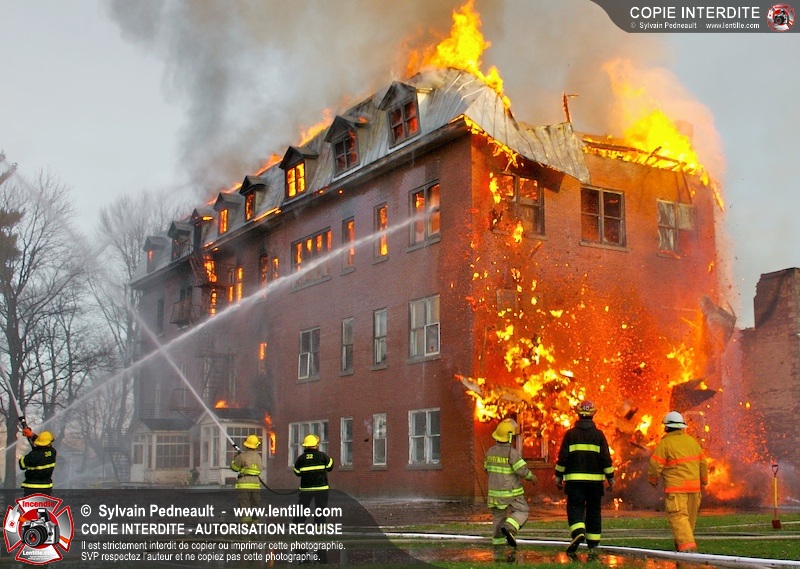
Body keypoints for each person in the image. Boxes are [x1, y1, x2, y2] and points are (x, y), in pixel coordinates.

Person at [554, 401, 614, 558]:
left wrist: (558, 476)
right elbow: (605, 458)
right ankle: (593, 543)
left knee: (575, 507)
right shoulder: (599, 435)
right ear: (593, 414)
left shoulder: (570, 435)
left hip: (574, 482)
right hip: (595, 483)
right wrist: (610, 477)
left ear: (578, 414)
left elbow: (563, 457)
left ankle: (578, 532)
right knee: (594, 510)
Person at [648, 411, 708, 553]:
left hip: (677, 490)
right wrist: (704, 481)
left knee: (679, 518)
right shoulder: (692, 442)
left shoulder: (665, 444)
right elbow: (703, 463)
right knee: (688, 521)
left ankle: (688, 550)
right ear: (682, 426)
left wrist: (653, 479)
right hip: (694, 490)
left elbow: (655, 464)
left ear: (666, 427)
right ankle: (681, 545)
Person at [484, 418, 537, 552]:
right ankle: (509, 527)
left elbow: (486, 469)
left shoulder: (490, 452)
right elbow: (522, 470)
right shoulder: (512, 453)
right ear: (510, 437)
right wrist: (532, 477)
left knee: (498, 517)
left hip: (494, 493)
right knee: (522, 510)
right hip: (511, 492)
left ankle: (498, 545)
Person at [293, 434, 334, 523]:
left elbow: (297, 473)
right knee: (321, 507)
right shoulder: (322, 456)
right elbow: (329, 468)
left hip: (306, 489)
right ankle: (319, 524)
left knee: (302, 507)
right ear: (316, 445)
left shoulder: (301, 458)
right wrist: (331, 460)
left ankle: (297, 523)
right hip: (321, 488)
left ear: (306, 446)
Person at [230, 434, 263, 523]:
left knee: (244, 506)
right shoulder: (258, 457)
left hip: (244, 484)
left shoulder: (242, 456)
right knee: (255, 506)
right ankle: (255, 525)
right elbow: (259, 470)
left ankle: (246, 526)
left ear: (246, 445)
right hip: (256, 485)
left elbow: (234, 468)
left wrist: (235, 458)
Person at [19, 429, 57, 496]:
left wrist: (22, 458)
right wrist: (31, 435)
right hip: (46, 487)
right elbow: (42, 448)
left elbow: (22, 465)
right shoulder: (52, 452)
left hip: (31, 488)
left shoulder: (33, 455)